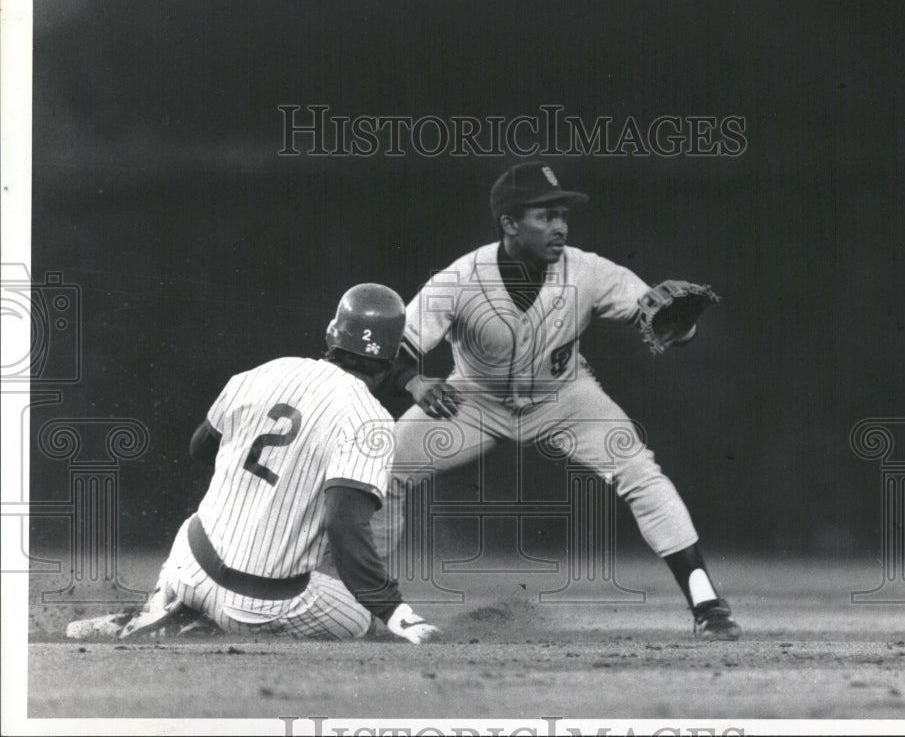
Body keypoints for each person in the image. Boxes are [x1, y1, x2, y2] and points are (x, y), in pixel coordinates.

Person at [375, 162, 741, 640]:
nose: (560, 226)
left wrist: (684, 326)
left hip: (565, 396)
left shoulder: (589, 270)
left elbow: (662, 318)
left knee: (639, 471)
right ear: (509, 223)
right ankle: (367, 604)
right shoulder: (459, 278)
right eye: (545, 216)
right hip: (474, 400)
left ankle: (707, 605)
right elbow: (389, 350)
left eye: (562, 215)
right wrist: (415, 384)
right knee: (383, 467)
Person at [67, 284, 439, 644]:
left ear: (331, 336)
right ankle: (204, 624)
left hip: (188, 566)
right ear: (391, 361)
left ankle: (169, 608)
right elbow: (345, 527)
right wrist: (393, 611)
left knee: (213, 538)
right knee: (362, 621)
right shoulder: (370, 419)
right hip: (262, 604)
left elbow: (200, 448)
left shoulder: (268, 370)